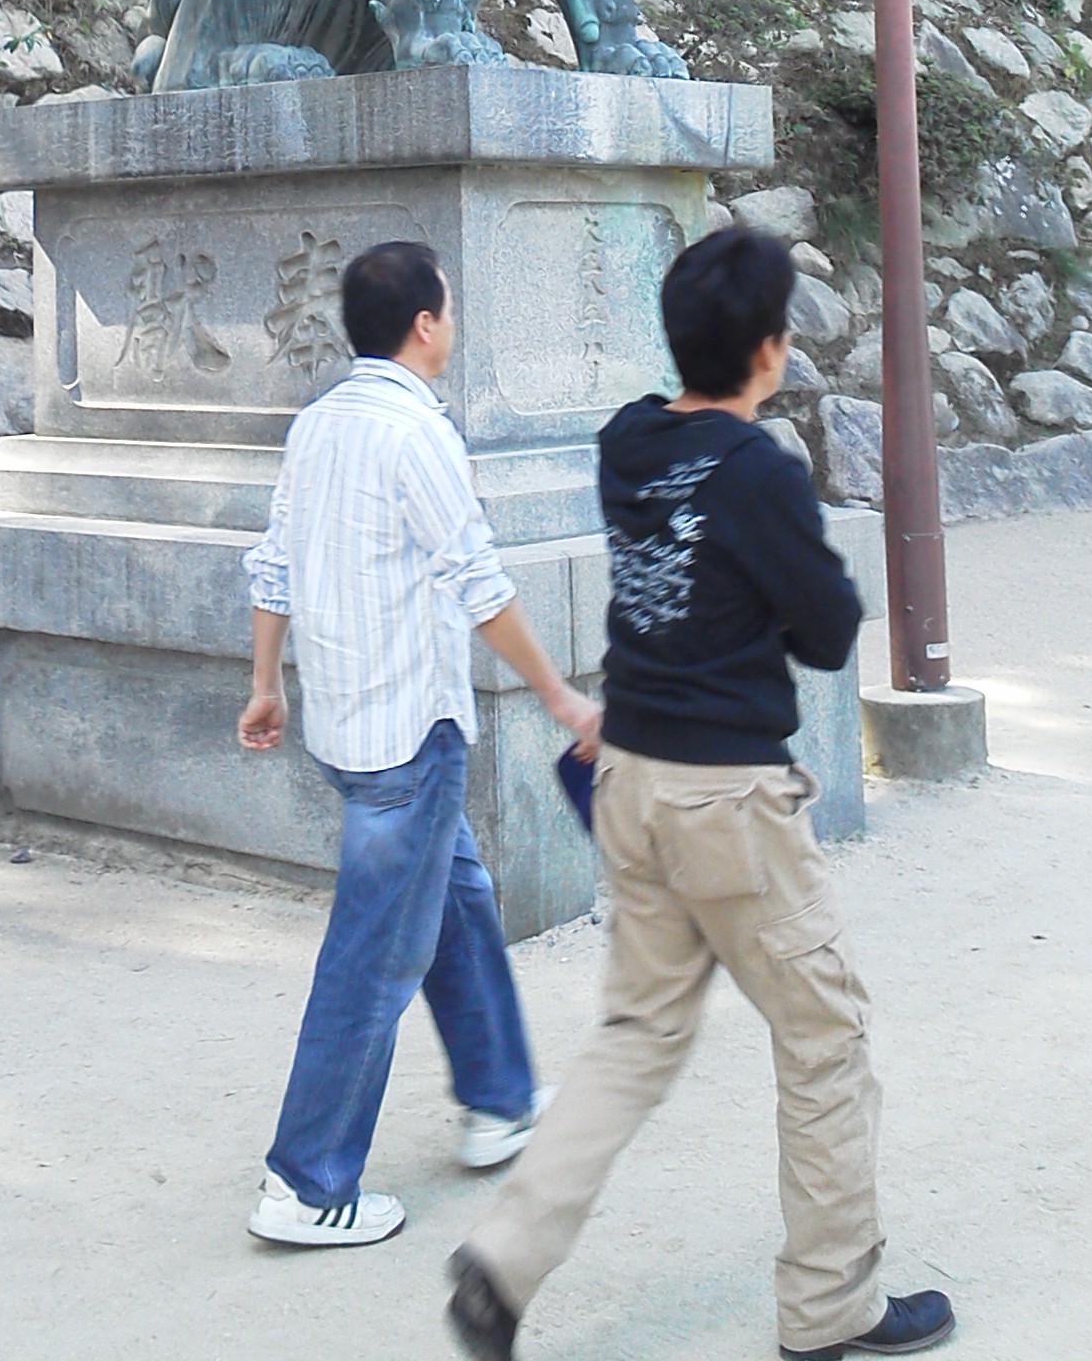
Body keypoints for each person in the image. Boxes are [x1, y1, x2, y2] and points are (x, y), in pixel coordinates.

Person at [446, 226, 957, 1361]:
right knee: (825, 1039)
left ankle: (502, 1263)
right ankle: (832, 1308)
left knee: (636, 1033)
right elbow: (828, 631)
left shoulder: (627, 439)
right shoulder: (762, 473)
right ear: (773, 352)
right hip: (730, 804)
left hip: (630, 778)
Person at [237, 239, 602, 1248]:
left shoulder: (316, 428)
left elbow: (273, 565)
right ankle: (308, 1183)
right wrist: (563, 697)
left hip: (345, 726)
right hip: (411, 733)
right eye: (450, 303)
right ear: (425, 324)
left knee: (460, 899)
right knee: (374, 956)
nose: (455, 320)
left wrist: (267, 684)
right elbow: (479, 585)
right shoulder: (418, 436)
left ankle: (499, 1098)